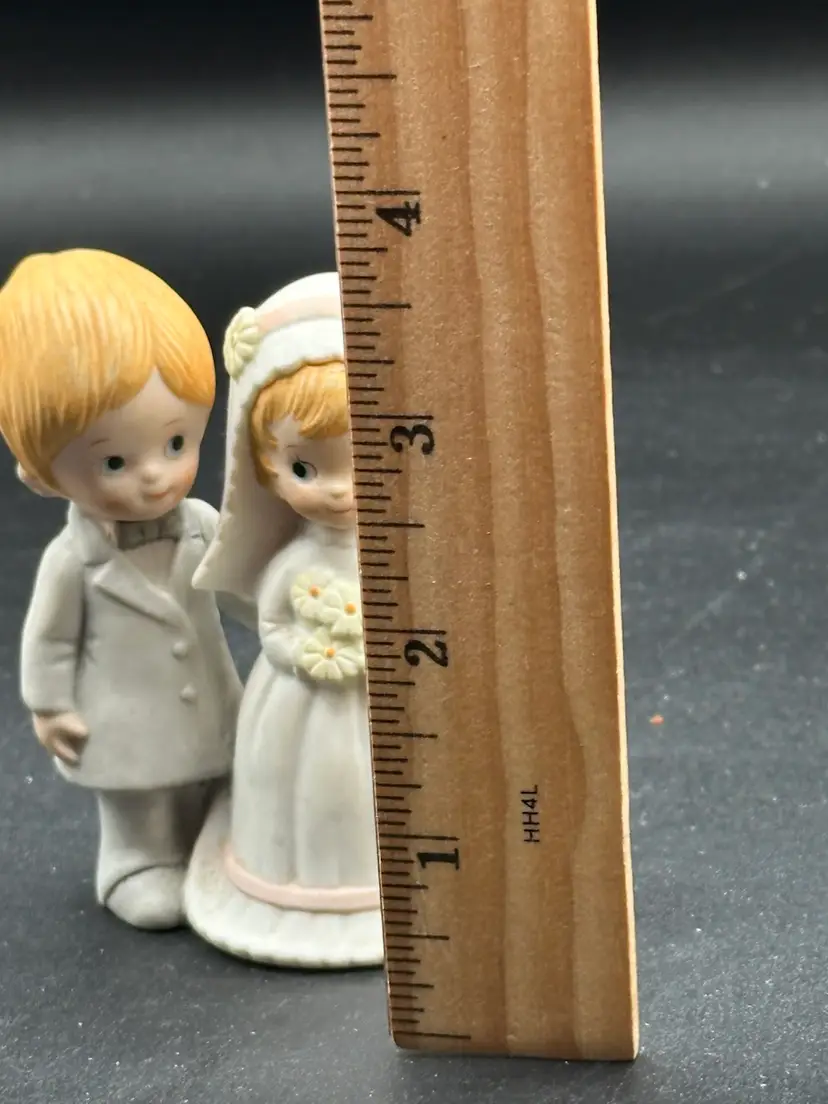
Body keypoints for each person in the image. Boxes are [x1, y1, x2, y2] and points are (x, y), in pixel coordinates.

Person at [0, 248, 241, 930]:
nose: (155, 475)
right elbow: (49, 639)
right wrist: (50, 707)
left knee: (216, 779)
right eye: (114, 460)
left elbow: (237, 586)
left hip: (209, 698)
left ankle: (211, 847)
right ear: (40, 477)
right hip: (123, 718)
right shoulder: (71, 562)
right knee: (141, 804)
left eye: (177, 444)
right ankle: (135, 863)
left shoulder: (200, 523)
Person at [185, 272, 382, 967]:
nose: (337, 490)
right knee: (307, 789)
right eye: (306, 468)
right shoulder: (293, 564)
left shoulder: (394, 554)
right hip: (299, 701)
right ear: (267, 468)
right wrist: (308, 656)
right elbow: (271, 627)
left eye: (361, 461)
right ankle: (300, 887)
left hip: (383, 702)